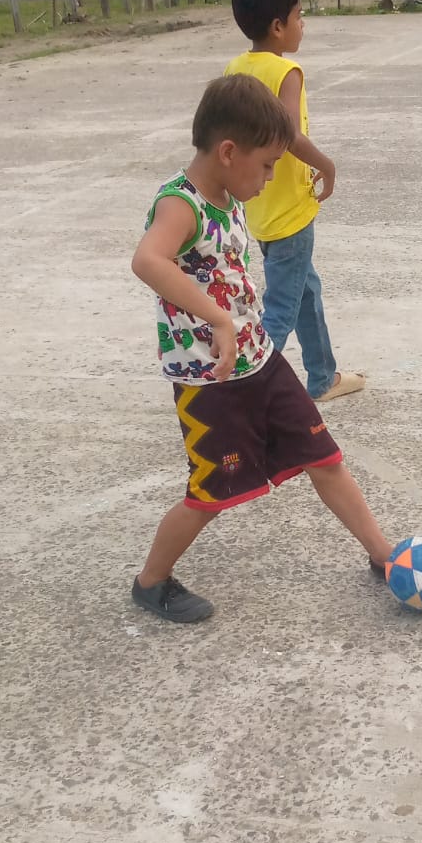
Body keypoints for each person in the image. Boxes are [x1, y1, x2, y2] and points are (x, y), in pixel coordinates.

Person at [130, 74, 394, 623]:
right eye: (268, 165)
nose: (271, 177)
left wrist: (238, 324)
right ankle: (151, 582)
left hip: (260, 359)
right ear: (229, 152)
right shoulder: (180, 204)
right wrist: (217, 318)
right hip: (210, 381)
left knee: (324, 457)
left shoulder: (227, 194)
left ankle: (383, 554)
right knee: (211, 494)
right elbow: (147, 261)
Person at [224, 0, 365, 404]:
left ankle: (322, 377)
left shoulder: (236, 68)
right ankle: (245, 391)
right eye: (299, 17)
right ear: (277, 26)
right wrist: (327, 165)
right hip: (291, 211)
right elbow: (287, 134)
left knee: (306, 292)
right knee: (282, 309)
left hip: (260, 208)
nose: (303, 25)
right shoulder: (287, 71)